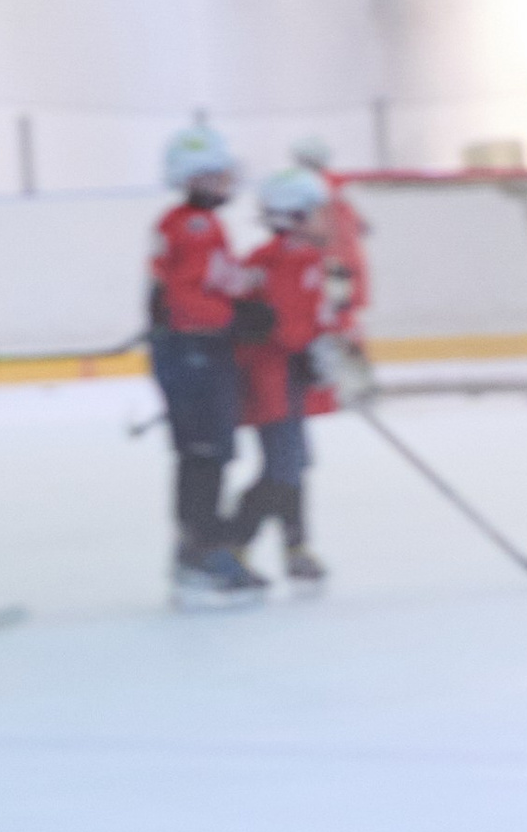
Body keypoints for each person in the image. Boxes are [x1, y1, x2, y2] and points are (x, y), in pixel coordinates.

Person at [149, 123, 264, 608]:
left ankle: (201, 548)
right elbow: (186, 297)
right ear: (193, 177)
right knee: (202, 455)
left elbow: (215, 280)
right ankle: (198, 553)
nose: (225, 182)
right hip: (193, 351)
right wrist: (234, 318)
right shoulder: (192, 226)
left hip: (200, 350)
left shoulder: (199, 224)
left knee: (210, 454)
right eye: (216, 175)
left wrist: (247, 294)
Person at [226, 167, 332, 586]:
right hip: (273, 377)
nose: (325, 220)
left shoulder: (276, 256)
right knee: (285, 464)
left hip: (280, 376)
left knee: (293, 462)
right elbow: (286, 324)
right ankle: (232, 543)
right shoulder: (291, 257)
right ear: (295, 216)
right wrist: (313, 351)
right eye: (317, 212)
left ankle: (296, 547)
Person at [291, 133, 371, 381]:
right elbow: (360, 226)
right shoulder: (337, 187)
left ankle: (343, 377)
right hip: (348, 263)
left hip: (331, 266)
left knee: (333, 319)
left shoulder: (311, 188)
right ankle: (357, 374)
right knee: (344, 319)